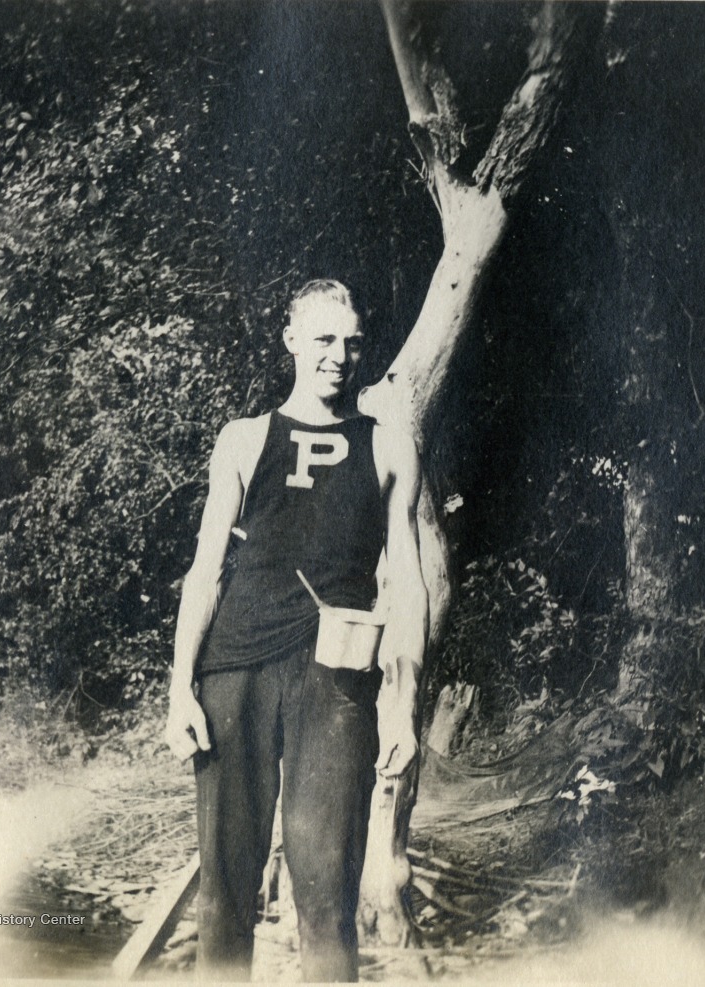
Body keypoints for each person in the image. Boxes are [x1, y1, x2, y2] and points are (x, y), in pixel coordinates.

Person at [164, 279, 427, 982]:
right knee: (225, 897)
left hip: (335, 683)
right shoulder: (245, 439)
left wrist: (402, 704)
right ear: (290, 341)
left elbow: (408, 586)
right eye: (323, 339)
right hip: (235, 673)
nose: (339, 356)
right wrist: (179, 688)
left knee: (328, 897)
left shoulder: (389, 446)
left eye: (352, 343)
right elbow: (204, 571)